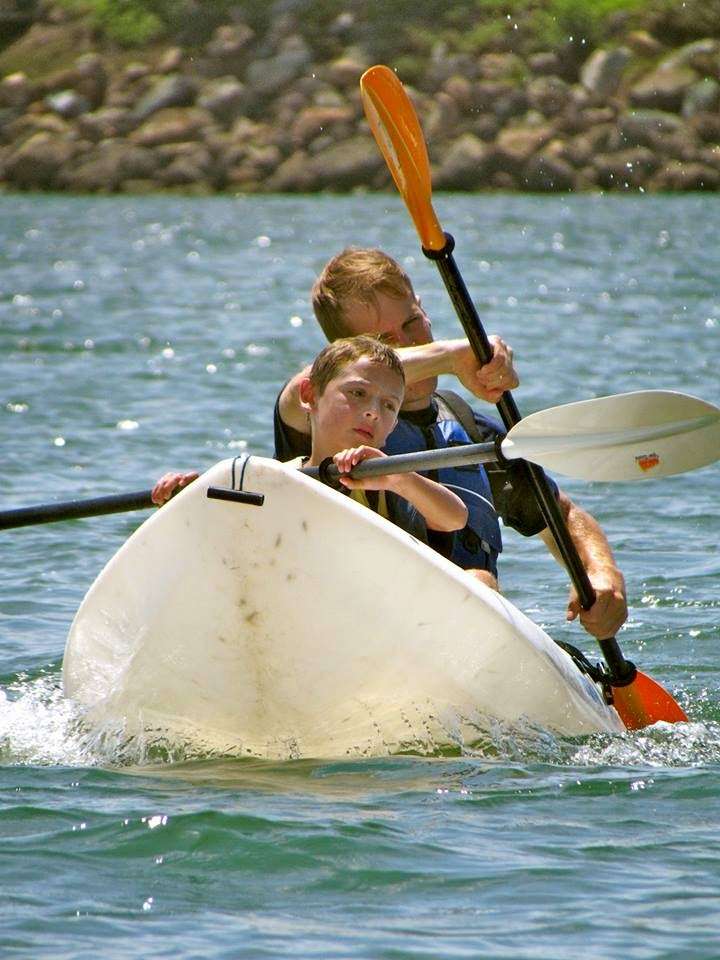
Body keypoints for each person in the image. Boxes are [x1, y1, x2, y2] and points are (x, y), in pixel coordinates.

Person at [272, 247, 628, 641]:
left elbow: (558, 514)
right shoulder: (324, 416)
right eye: (382, 341)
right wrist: (455, 354)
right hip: (358, 620)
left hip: (464, 639)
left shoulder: (471, 433)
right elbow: (301, 387)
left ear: (423, 309)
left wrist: (601, 573)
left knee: (479, 581)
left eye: (411, 323)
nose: (406, 344)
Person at [289, 334, 468, 542]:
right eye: (358, 393)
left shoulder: (390, 487)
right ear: (310, 395)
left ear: (392, 427)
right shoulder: (276, 478)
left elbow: (455, 519)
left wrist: (398, 478)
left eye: (389, 405)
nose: (373, 412)